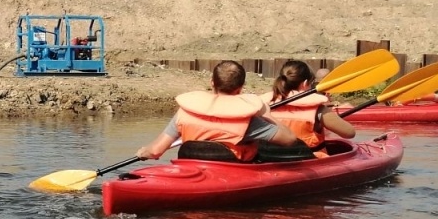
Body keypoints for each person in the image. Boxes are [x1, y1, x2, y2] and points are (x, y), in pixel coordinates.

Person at [137, 60, 302, 163]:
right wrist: (267, 115)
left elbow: (155, 151)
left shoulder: (185, 112)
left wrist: (144, 152)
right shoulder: (247, 120)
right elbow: (289, 140)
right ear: (241, 88)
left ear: (211, 82)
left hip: (191, 167)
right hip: (230, 173)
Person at [265, 60, 356, 152]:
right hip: (310, 161)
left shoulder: (263, 107)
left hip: (270, 160)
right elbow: (350, 133)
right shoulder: (319, 109)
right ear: (305, 83)